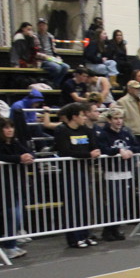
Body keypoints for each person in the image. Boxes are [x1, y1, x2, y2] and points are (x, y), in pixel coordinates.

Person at [53, 102, 101, 248]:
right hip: (70, 172)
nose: (84, 118)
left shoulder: (86, 130)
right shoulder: (62, 131)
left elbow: (93, 147)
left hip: (84, 170)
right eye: (82, 115)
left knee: (85, 204)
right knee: (73, 205)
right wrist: (88, 155)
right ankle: (74, 237)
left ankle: (85, 234)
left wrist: (94, 153)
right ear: (74, 117)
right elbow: (65, 152)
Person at [0, 118, 33, 259]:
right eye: (6, 127)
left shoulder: (15, 142)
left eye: (11, 127)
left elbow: (29, 153)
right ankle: (9, 246)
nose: (10, 130)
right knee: (12, 215)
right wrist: (19, 158)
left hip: (17, 185)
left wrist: (29, 157)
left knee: (17, 216)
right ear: (0, 130)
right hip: (3, 186)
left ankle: (12, 243)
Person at [95, 106, 140, 240]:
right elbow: (103, 149)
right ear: (110, 120)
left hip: (126, 171)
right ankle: (108, 230)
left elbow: (137, 146)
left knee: (122, 202)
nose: (119, 121)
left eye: (120, 118)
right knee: (113, 202)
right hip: (112, 172)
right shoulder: (104, 134)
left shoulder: (126, 132)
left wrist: (131, 150)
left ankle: (116, 228)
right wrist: (118, 151)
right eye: (115, 118)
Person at [116, 79, 140, 158]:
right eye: (136, 88)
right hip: (133, 135)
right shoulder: (122, 102)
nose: (139, 90)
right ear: (129, 89)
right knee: (135, 159)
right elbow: (118, 116)